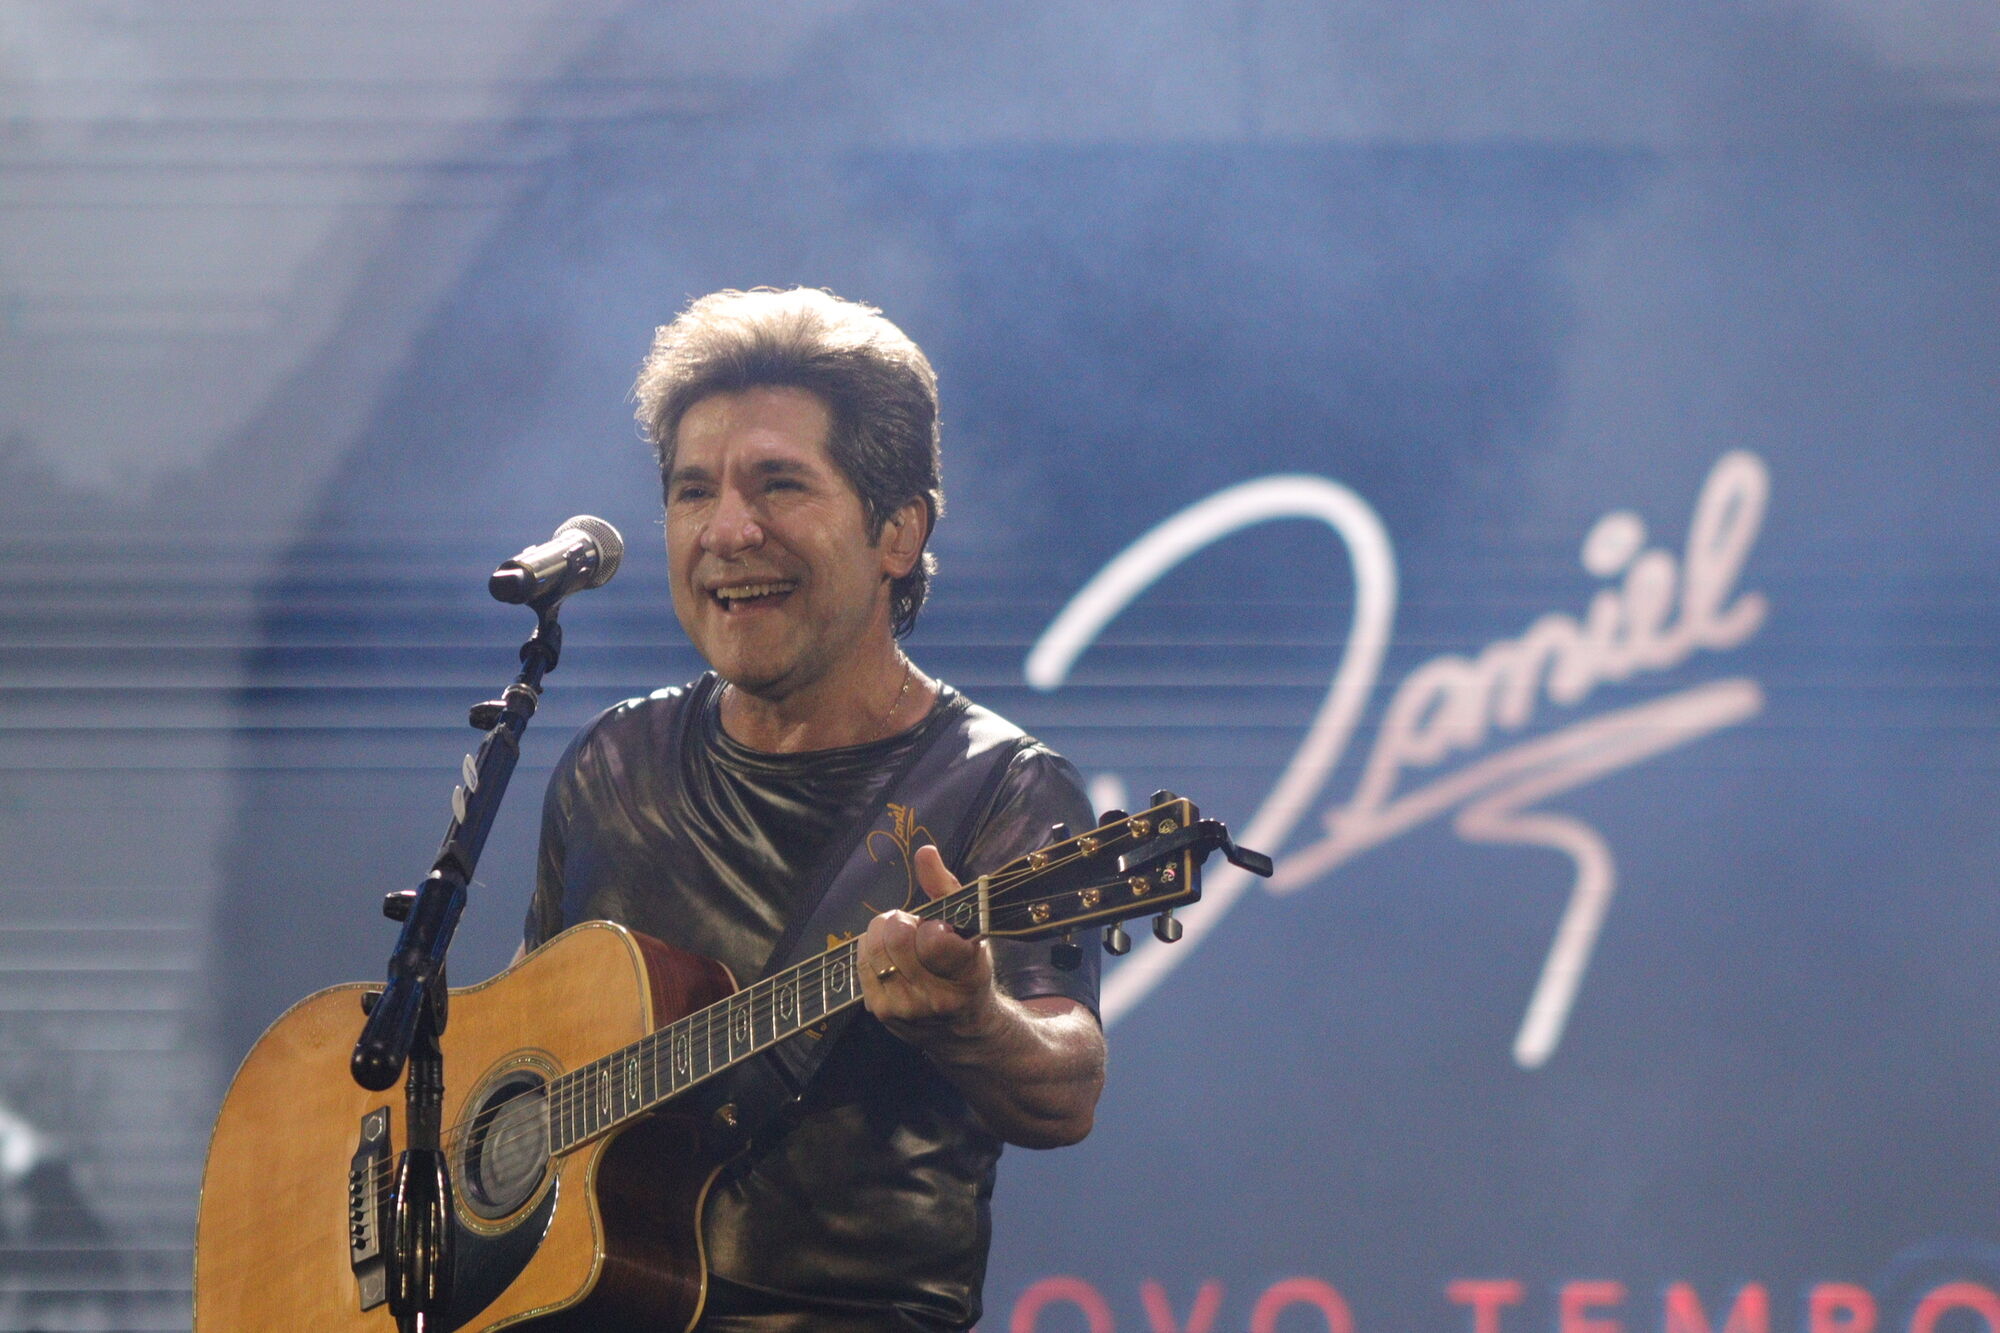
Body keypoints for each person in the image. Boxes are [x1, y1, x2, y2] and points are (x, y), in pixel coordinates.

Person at [522, 287, 1107, 1332]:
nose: (727, 529)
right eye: (693, 491)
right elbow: (512, 1057)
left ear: (898, 531)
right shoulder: (612, 763)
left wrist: (975, 1019)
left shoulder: (1002, 788)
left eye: (779, 484)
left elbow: (1065, 1087)